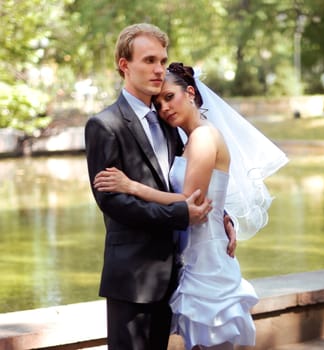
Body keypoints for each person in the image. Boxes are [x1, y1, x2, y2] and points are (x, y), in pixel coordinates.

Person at [93, 62, 288, 349]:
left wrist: (131, 186)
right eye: (158, 103)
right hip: (191, 255)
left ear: (190, 92)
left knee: (211, 339)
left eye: (169, 97)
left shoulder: (203, 137)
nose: (164, 108)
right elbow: (207, 197)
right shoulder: (184, 138)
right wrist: (223, 214)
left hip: (207, 259)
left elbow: (189, 201)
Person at [84, 24, 236, 350]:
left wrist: (220, 215)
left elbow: (193, 180)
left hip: (176, 275)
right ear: (125, 65)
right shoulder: (104, 126)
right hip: (132, 279)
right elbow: (113, 202)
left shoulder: (169, 120)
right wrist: (182, 214)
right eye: (149, 60)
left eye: (162, 61)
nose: (158, 69)